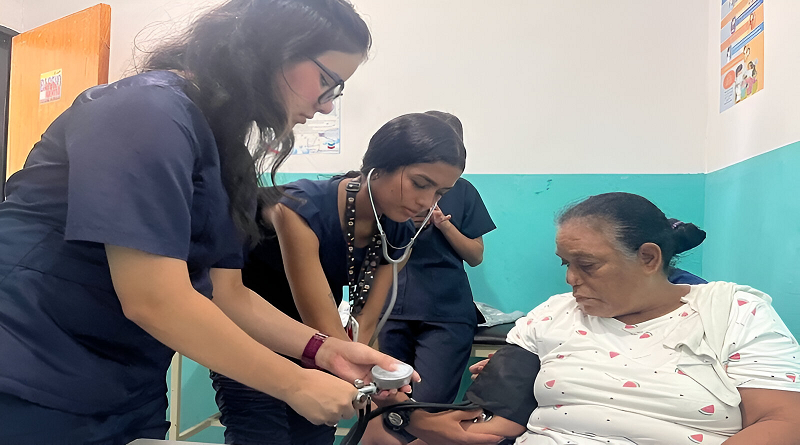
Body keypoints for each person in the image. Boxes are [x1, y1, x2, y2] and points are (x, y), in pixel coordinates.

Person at [0, 1, 416, 443]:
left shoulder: (224, 151)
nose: (327, 106)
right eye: (327, 82)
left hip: (126, 385)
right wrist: (294, 383)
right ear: (272, 48)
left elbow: (227, 293)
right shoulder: (146, 110)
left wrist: (324, 350)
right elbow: (153, 298)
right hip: (31, 366)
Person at [367, 192, 800, 445]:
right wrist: (402, 413)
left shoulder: (733, 312)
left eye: (587, 265)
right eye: (566, 264)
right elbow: (489, 426)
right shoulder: (552, 316)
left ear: (649, 258)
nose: (571, 279)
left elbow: (783, 421)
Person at [211, 112, 468, 445]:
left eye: (440, 193)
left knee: (316, 435)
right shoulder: (298, 208)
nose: (426, 202)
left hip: (319, 348)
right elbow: (321, 324)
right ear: (379, 166)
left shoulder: (398, 234)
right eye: (420, 184)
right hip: (251, 336)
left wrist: (374, 381)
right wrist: (380, 397)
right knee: (261, 436)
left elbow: (367, 320)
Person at [378, 111, 496, 406]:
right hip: (391, 307)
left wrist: (444, 225)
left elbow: (475, 256)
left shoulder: (463, 191)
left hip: (445, 311)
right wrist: (403, 222)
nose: (427, 197)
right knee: (388, 399)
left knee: (429, 404)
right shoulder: (389, 188)